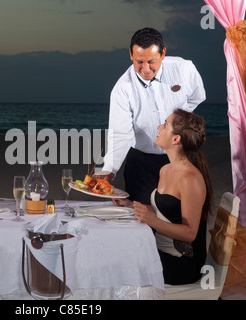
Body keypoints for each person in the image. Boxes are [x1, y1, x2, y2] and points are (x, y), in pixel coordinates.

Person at [94, 27, 206, 204]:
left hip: (181, 156)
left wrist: (179, 123)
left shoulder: (184, 69)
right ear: (130, 54)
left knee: (185, 214)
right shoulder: (122, 89)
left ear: (163, 54)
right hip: (142, 162)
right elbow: (121, 134)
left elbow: (197, 96)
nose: (145, 69)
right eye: (139, 61)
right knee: (142, 219)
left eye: (151, 61)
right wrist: (109, 170)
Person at [114, 109, 213, 285]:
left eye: (165, 124)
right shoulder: (165, 169)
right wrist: (131, 205)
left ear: (176, 139)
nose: (159, 127)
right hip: (159, 250)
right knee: (116, 249)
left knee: (118, 261)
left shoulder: (190, 178)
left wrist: (150, 220)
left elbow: (190, 234)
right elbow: (165, 210)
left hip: (183, 264)